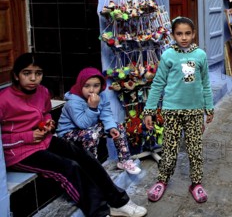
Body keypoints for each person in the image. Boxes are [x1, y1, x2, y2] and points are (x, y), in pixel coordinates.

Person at [0, 53, 147, 217]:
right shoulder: (4, 100)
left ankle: (119, 202)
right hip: (18, 152)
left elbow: (46, 113)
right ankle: (98, 212)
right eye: (27, 73)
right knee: (68, 167)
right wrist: (28, 136)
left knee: (84, 157)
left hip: (44, 140)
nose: (33, 78)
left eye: (38, 73)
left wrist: (48, 123)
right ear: (15, 75)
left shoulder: (42, 92)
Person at [143, 16, 214, 204]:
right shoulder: (168, 55)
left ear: (194, 34)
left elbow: (206, 83)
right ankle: (162, 180)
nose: (184, 37)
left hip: (195, 111)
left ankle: (196, 183)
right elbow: (158, 84)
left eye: (188, 33)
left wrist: (209, 107)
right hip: (172, 110)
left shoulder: (200, 56)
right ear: (173, 35)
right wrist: (149, 110)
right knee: (170, 149)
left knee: (195, 149)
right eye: (179, 34)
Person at [56, 67, 141, 175]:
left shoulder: (101, 96)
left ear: (101, 86)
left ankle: (124, 160)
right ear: (80, 85)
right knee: (91, 134)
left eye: (96, 86)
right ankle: (92, 168)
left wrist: (111, 128)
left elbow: (106, 114)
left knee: (117, 127)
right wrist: (92, 107)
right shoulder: (73, 102)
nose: (91, 90)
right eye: (86, 86)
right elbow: (83, 124)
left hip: (90, 128)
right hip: (68, 134)